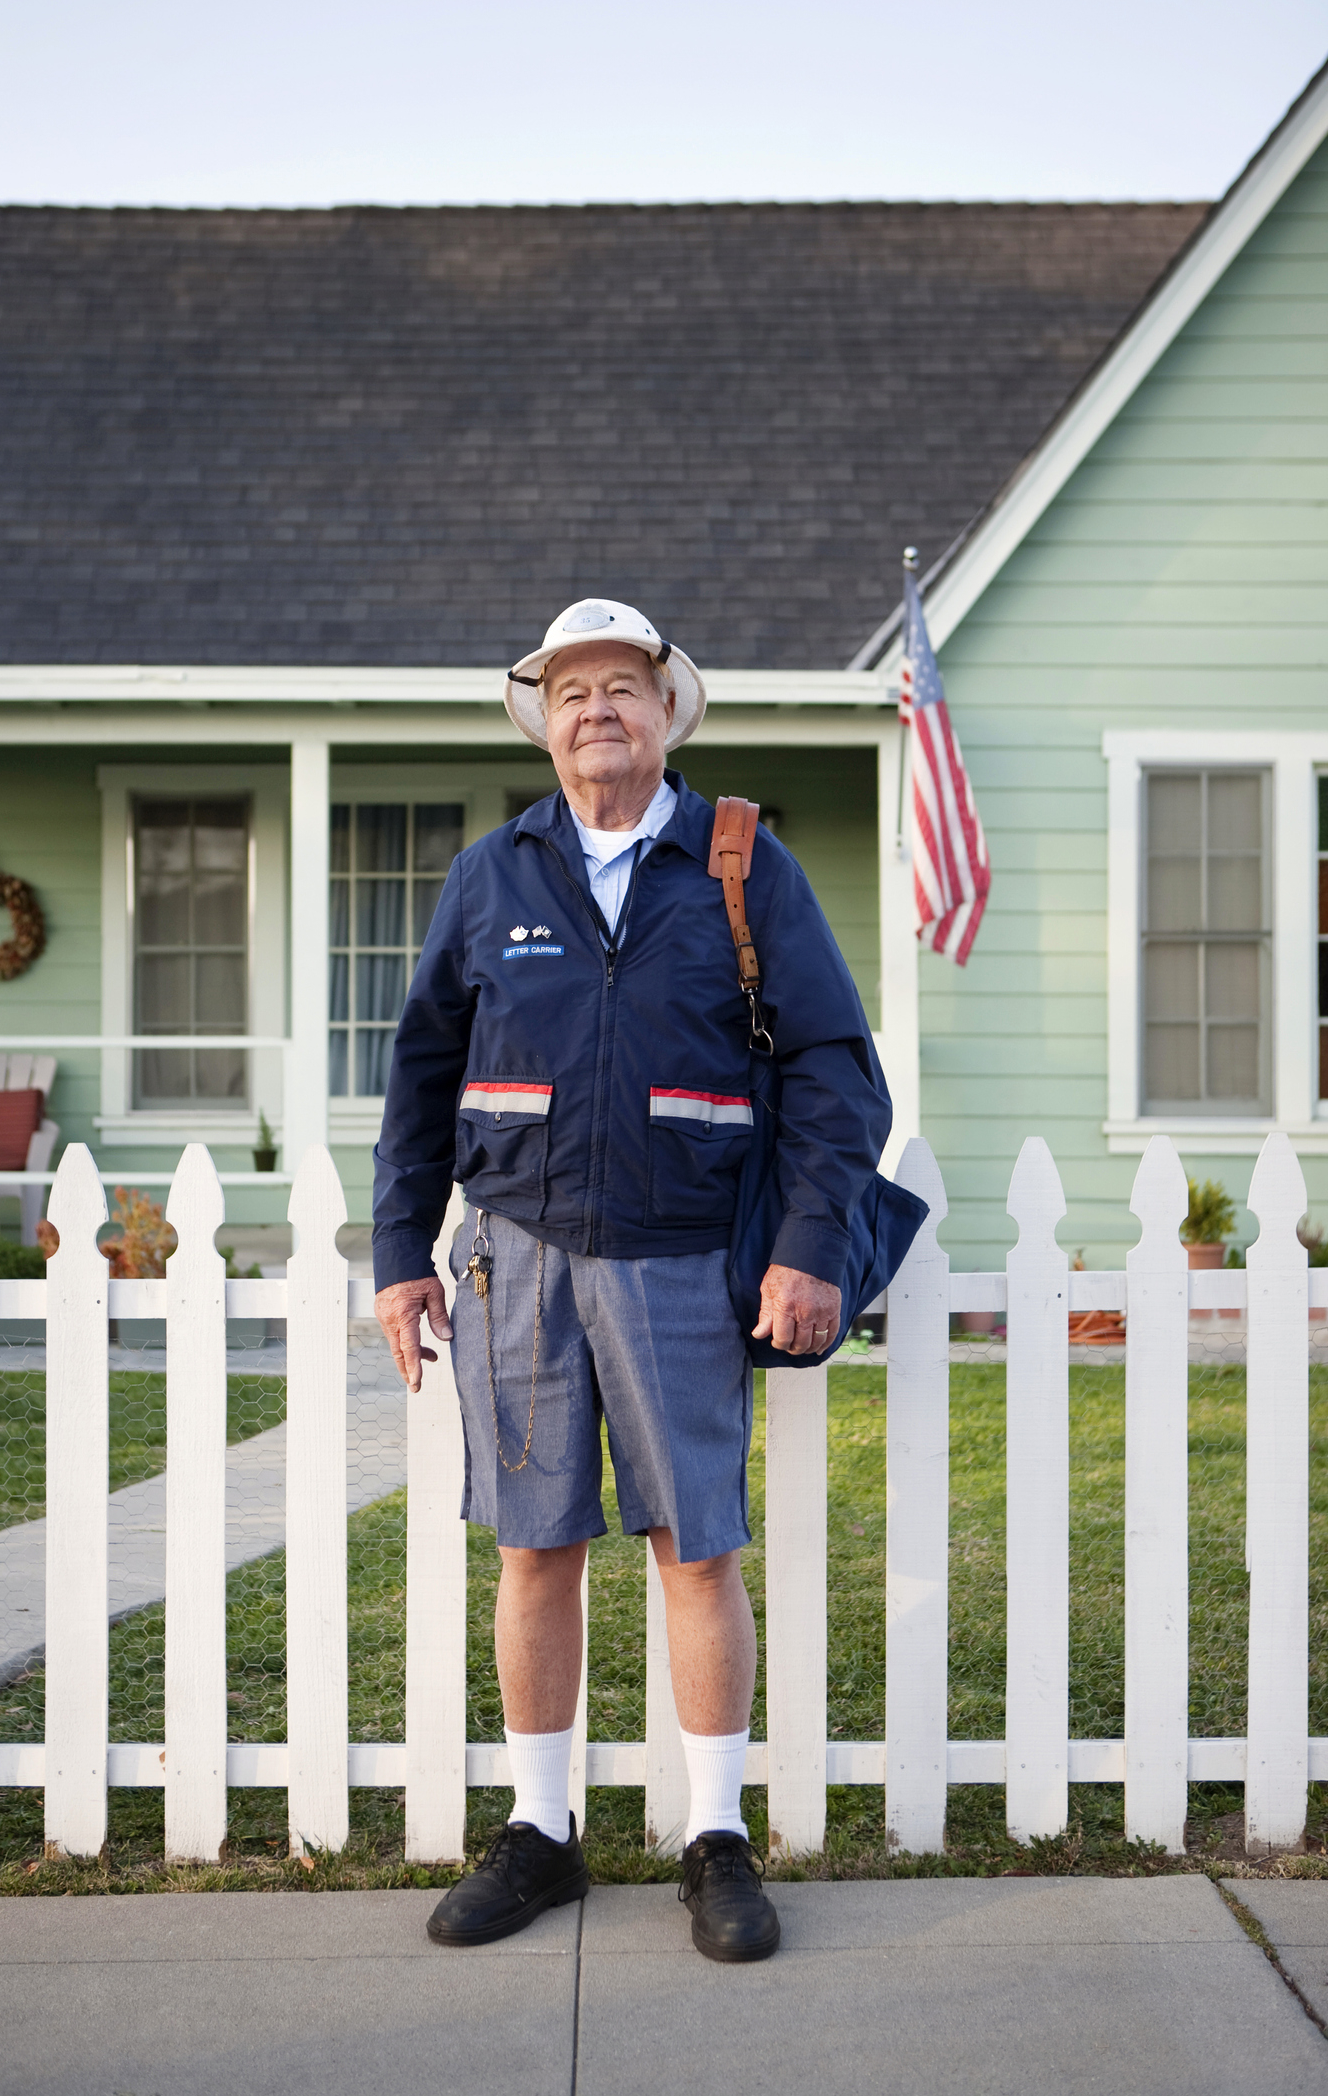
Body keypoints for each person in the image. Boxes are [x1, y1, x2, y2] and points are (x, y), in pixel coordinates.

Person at [373, 597, 892, 1962]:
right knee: (534, 1544)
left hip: (680, 1258)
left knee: (693, 1545)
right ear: (543, 723)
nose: (595, 708)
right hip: (514, 1256)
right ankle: (541, 1830)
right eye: (570, 690)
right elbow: (421, 1072)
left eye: (622, 686)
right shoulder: (492, 874)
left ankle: (715, 1834)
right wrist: (395, 1255)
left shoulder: (741, 863)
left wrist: (807, 1243)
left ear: (669, 714)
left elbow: (834, 1071)